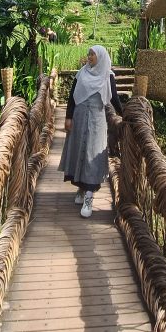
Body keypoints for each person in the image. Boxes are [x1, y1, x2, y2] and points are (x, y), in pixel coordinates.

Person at [59, 45, 123, 218]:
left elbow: (114, 99)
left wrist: (125, 115)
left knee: (92, 155)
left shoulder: (107, 76)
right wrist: (68, 117)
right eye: (88, 54)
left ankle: (89, 196)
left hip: (96, 121)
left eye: (92, 54)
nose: (89, 57)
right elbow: (72, 97)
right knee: (79, 152)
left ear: (100, 57)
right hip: (79, 118)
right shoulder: (82, 73)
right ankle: (81, 188)